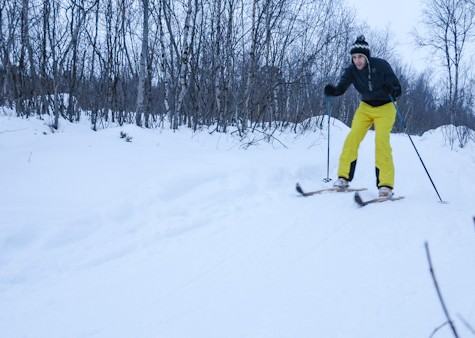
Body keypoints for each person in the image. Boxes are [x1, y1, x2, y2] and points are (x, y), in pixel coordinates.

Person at [324, 35, 401, 198]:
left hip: (386, 107)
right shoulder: (351, 70)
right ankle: (343, 178)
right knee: (352, 138)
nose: (357, 60)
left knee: (381, 142)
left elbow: (397, 89)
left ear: (366, 57)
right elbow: (341, 87)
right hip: (365, 107)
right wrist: (333, 91)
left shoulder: (381, 66)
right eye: (354, 57)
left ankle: (385, 185)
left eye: (360, 57)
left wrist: (391, 89)